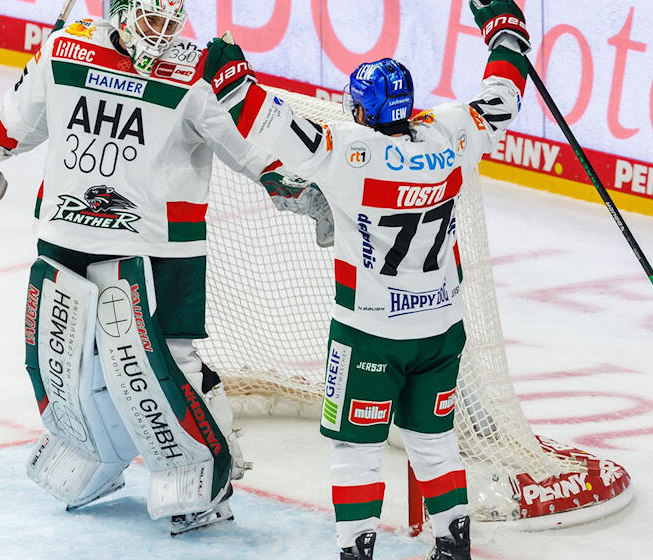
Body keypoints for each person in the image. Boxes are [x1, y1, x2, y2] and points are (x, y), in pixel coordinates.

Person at [0, 0, 302, 535]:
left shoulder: (193, 71)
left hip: (160, 244)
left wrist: (286, 180)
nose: (164, 34)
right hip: (67, 232)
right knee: (66, 362)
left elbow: (247, 148)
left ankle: (204, 471)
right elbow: (11, 129)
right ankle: (94, 454)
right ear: (123, 15)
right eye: (154, 20)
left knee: (162, 365)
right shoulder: (63, 50)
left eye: (173, 22)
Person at [202, 0, 532, 557]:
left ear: (362, 110)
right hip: (441, 331)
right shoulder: (451, 133)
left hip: (369, 334)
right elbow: (504, 91)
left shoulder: (346, 154)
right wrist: (504, 25)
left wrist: (226, 65)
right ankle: (453, 544)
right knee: (435, 441)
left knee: (355, 449)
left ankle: (356, 548)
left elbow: (257, 114)